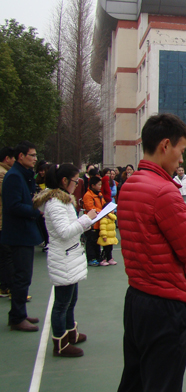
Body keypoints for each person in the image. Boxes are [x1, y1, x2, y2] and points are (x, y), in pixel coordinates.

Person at [117, 113, 186, 392]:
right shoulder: (165, 191)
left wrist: (184, 220)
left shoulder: (130, 185)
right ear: (165, 145)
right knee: (163, 383)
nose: (182, 159)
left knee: (134, 379)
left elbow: (149, 231)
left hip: (137, 297)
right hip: (164, 305)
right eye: (181, 151)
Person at [33, 163, 97, 357]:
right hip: (63, 257)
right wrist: (86, 219)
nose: (77, 185)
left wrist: (86, 222)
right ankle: (60, 343)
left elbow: (71, 227)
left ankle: (70, 333)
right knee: (62, 303)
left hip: (70, 255)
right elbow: (64, 232)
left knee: (71, 300)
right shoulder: (55, 203)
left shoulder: (64, 200)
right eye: (75, 181)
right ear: (64, 181)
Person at [2, 141, 43, 332]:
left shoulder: (22, 175)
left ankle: (20, 313)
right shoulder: (14, 176)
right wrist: (37, 211)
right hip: (18, 234)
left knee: (24, 276)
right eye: (32, 155)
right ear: (21, 156)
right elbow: (13, 206)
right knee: (22, 276)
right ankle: (17, 317)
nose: (35, 159)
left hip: (23, 232)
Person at [83, 176, 109, 266]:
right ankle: (91, 258)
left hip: (99, 222)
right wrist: (102, 212)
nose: (100, 187)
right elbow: (90, 208)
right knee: (91, 241)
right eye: (98, 185)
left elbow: (103, 204)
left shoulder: (99, 194)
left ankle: (98, 257)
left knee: (97, 241)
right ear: (93, 185)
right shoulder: (88, 195)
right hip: (91, 223)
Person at [0, 146, 15, 298]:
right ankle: (10, 287)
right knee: (7, 255)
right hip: (2, 222)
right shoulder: (3, 174)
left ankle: (5, 286)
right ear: (7, 159)